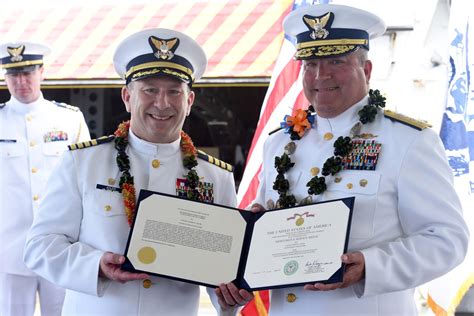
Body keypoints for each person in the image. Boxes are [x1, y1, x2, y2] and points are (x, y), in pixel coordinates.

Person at [250, 4, 470, 315]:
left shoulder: (408, 140)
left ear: (366, 70)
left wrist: (371, 266)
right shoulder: (279, 143)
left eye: (336, 61)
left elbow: (447, 239)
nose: (320, 75)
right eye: (310, 64)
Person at [23, 28, 252, 315]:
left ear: (190, 101)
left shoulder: (215, 177)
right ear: (127, 97)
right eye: (150, 90)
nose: (162, 103)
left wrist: (230, 299)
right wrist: (96, 265)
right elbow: (39, 247)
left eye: (174, 92)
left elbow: (222, 270)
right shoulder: (84, 162)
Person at [0, 41, 90, 316]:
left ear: (42, 72)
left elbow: (86, 181)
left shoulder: (69, 119)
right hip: (8, 249)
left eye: (27, 72)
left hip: (61, 247)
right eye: (13, 74)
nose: (21, 81)